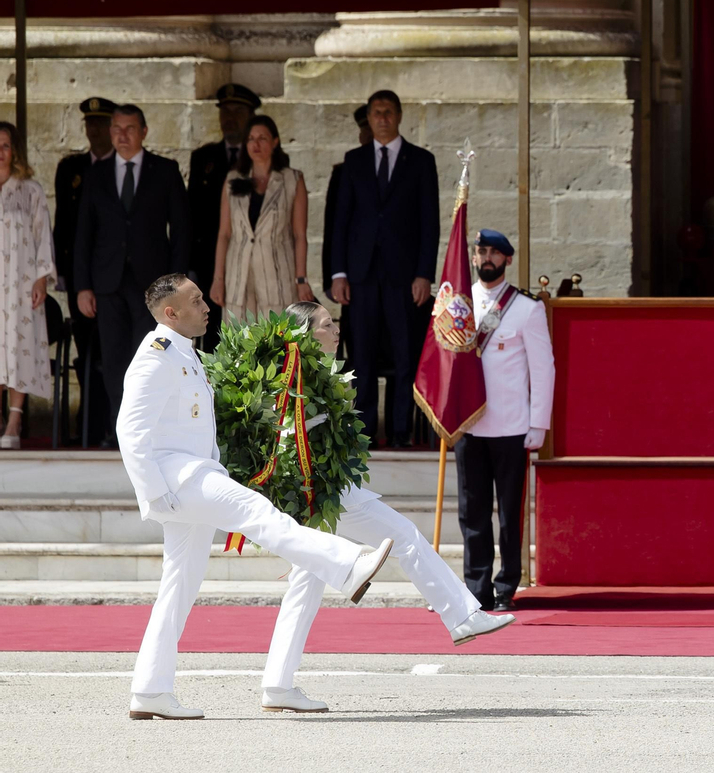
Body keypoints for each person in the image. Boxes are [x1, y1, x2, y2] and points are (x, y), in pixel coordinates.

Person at [118, 274, 392, 720]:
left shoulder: (183, 354)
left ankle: (150, 690)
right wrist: (156, 494)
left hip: (191, 477)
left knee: (179, 585)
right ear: (171, 313)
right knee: (257, 512)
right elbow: (130, 432)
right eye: (195, 300)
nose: (206, 305)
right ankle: (347, 564)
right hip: (180, 478)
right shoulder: (156, 358)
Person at [260, 300, 516, 713]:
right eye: (326, 325)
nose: (335, 329)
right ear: (304, 335)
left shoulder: (311, 374)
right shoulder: (297, 378)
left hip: (321, 493)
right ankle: (462, 615)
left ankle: (277, 684)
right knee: (404, 537)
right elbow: (290, 440)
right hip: (327, 492)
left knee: (306, 584)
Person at [329, 91, 440, 446]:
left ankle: (400, 431)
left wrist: (425, 273)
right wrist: (338, 273)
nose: (382, 118)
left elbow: (429, 222)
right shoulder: (354, 160)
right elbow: (340, 222)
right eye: (376, 112)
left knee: (405, 355)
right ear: (370, 117)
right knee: (361, 356)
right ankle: (364, 432)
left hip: (404, 277)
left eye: (388, 112)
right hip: (361, 277)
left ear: (399, 116)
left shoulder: (420, 161)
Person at [73, 103, 190, 439]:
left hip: (151, 284)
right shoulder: (96, 173)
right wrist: (82, 285)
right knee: (114, 357)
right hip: (108, 282)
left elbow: (180, 230)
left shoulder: (165, 170)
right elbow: (84, 233)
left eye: (129, 129)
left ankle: (149, 428)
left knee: (151, 355)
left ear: (143, 132)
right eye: (116, 129)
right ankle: (118, 428)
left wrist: (177, 285)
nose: (121, 136)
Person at [458, 229, 555, 611]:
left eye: (494, 253)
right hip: (470, 424)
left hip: (511, 425)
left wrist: (538, 424)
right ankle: (476, 587)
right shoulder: (459, 304)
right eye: (481, 250)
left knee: (509, 512)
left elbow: (542, 368)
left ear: (507, 260)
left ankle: (505, 586)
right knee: (472, 512)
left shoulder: (526, 308)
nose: (486, 258)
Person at [54, 97, 116, 443]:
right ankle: (88, 427)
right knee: (85, 353)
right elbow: (63, 224)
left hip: (114, 279)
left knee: (114, 354)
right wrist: (64, 273)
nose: (94, 130)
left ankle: (109, 423)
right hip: (81, 279)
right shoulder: (72, 168)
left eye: (100, 124)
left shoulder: (122, 168)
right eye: (89, 124)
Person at [209, 115, 313, 322]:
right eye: (250, 138)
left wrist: (301, 279)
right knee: (239, 343)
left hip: (278, 275)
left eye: (262, 138)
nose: (255, 144)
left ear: (275, 142)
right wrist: (218, 279)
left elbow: (299, 234)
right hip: (239, 275)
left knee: (278, 341)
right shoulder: (233, 179)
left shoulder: (292, 179)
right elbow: (224, 234)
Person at [188, 84, 261, 347]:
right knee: (211, 336)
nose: (229, 118)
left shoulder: (260, 159)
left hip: (251, 262)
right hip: (210, 263)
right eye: (224, 111)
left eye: (237, 111)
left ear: (251, 116)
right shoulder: (203, 158)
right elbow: (192, 215)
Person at [0, 123, 55, 450]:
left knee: (17, 348)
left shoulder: (30, 190)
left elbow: (42, 237)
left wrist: (41, 279)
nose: (0, 152)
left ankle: (14, 420)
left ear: (15, 150)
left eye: (5, 145)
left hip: (20, 283)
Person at [321, 104, 371, 301]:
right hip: (354, 275)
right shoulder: (344, 172)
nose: (368, 136)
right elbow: (333, 227)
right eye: (364, 130)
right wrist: (331, 278)